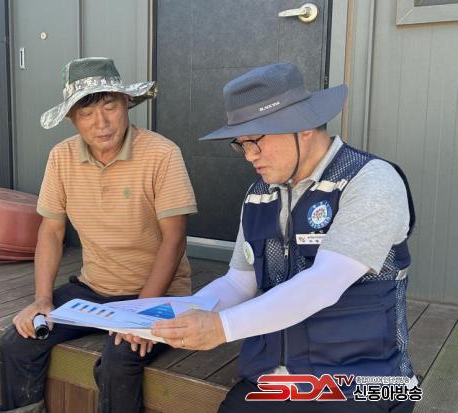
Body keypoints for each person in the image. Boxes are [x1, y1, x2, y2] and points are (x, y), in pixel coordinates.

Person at [150, 63, 417, 412]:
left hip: (363, 382)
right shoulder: (259, 194)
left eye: (256, 140)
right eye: (241, 144)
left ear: (303, 127)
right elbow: (238, 282)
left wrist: (221, 327)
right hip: (273, 379)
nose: (249, 156)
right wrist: (172, 317)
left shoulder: (370, 181)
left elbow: (323, 283)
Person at [0, 57, 197, 413]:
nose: (101, 122)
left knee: (118, 361)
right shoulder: (61, 158)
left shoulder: (162, 154)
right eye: (86, 113)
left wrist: (140, 313)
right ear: (72, 119)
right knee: (17, 342)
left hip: (157, 294)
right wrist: (42, 298)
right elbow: (51, 230)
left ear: (126, 103)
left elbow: (175, 239)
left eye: (109, 106)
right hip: (93, 289)